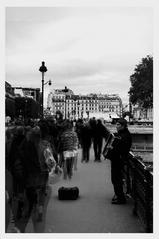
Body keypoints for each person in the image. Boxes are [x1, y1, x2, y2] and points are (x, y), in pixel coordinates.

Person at [107, 118, 132, 204]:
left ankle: (120, 198)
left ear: (123, 126)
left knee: (116, 179)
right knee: (116, 179)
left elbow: (122, 149)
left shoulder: (125, 136)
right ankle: (118, 195)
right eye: (116, 124)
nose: (116, 126)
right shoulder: (122, 134)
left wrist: (112, 148)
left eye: (118, 125)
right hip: (117, 159)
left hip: (118, 160)